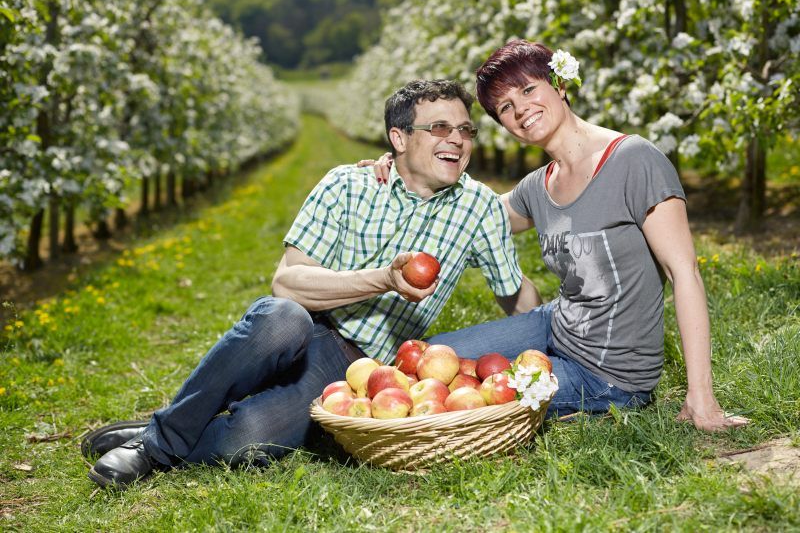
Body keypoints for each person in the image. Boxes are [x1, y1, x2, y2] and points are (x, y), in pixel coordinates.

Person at [83, 79, 542, 489]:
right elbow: (288, 282)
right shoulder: (348, 184)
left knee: (247, 440)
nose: (457, 140)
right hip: (297, 325)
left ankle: (167, 426)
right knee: (281, 318)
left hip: (351, 363)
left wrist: (545, 347)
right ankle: (155, 446)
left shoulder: (479, 207)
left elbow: (516, 296)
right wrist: (384, 279)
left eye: (465, 130)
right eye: (439, 128)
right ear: (398, 139)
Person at [367, 41, 748, 431]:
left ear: (559, 85)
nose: (521, 110)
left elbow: (685, 274)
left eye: (528, 90)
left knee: (456, 404)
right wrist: (401, 166)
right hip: (552, 325)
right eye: (505, 107)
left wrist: (702, 396)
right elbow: (468, 215)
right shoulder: (538, 186)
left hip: (608, 375)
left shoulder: (634, 160)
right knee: (425, 362)